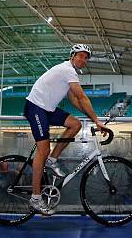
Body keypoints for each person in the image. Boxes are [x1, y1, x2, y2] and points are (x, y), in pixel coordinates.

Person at [24, 44, 106, 215]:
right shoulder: (67, 69)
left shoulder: (70, 73)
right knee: (43, 149)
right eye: (81, 56)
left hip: (48, 110)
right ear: (72, 55)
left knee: (75, 124)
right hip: (36, 107)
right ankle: (36, 198)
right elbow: (82, 97)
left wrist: (92, 118)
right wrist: (97, 120)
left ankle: (52, 160)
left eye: (86, 57)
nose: (83, 60)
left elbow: (75, 100)